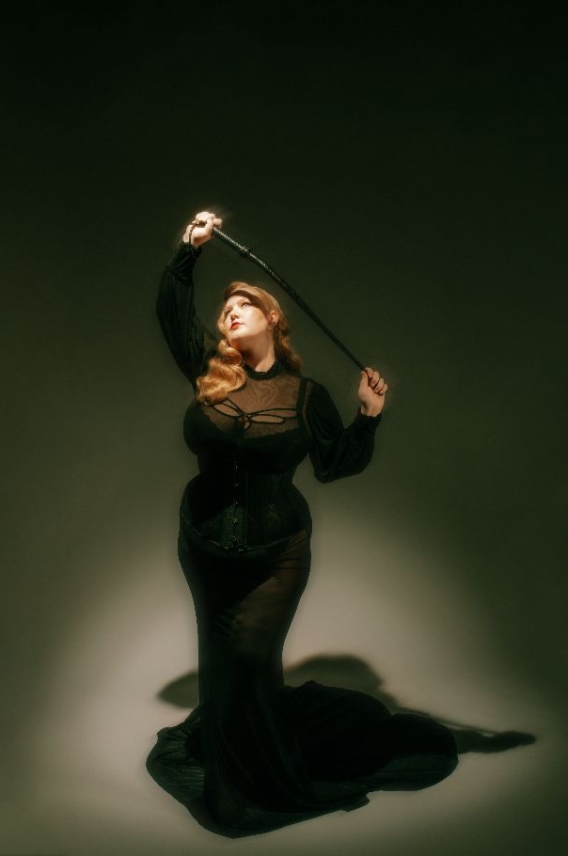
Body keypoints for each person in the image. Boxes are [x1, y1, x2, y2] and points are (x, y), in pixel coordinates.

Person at [146, 210, 458, 833]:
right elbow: (171, 312)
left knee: (250, 656)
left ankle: (262, 779)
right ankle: (237, 767)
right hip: (204, 546)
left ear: (272, 319)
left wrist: (368, 416)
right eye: (225, 309)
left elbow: (334, 465)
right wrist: (190, 247)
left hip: (276, 553)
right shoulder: (209, 372)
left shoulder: (304, 395)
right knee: (221, 664)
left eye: (244, 305)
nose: (230, 313)